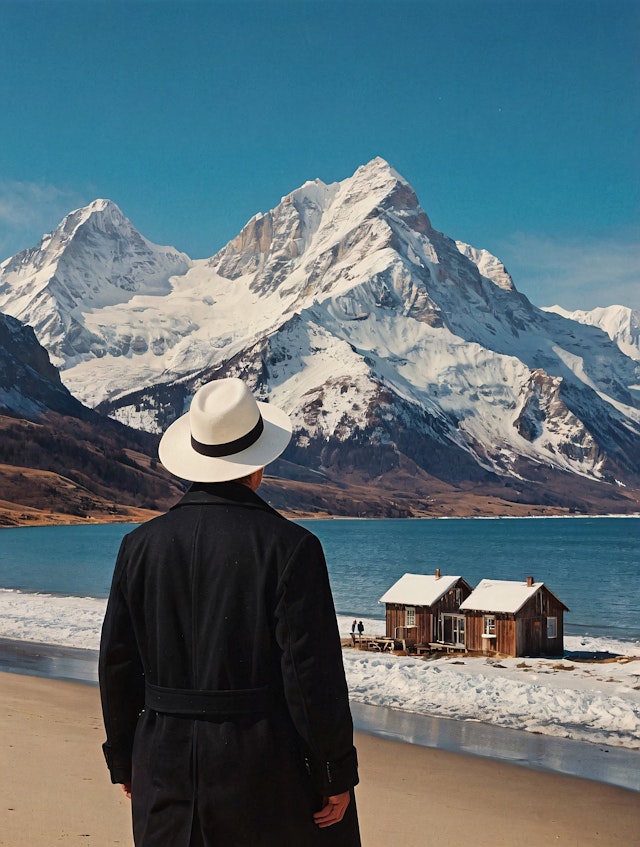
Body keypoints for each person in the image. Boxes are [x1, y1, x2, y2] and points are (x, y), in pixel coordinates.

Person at [99, 378, 361, 846]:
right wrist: (333, 772)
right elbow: (310, 675)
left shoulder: (136, 546)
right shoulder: (292, 548)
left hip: (162, 764)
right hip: (262, 769)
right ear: (257, 468)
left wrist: (124, 758)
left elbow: (118, 665)